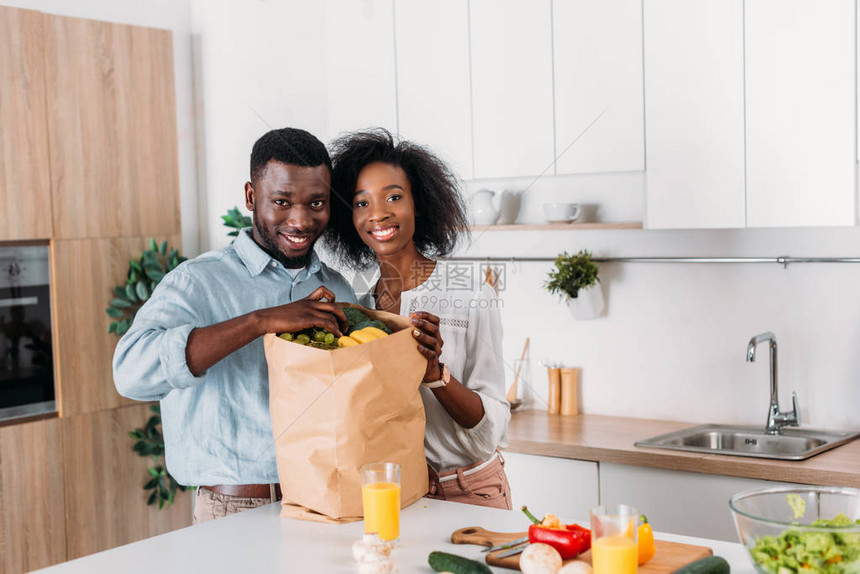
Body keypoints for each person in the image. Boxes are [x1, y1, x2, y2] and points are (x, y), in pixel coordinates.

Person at [113, 127, 356, 523]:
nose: (301, 220)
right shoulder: (196, 281)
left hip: (324, 502)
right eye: (281, 201)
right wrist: (261, 321)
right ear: (250, 196)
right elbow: (130, 374)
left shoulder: (337, 287)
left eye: (316, 203)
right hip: (234, 508)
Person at [326, 128, 512, 509]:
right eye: (361, 203)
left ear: (419, 203)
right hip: (394, 497)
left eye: (394, 197)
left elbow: (491, 428)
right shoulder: (358, 305)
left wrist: (435, 375)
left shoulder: (471, 293)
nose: (378, 214)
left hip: (469, 491)